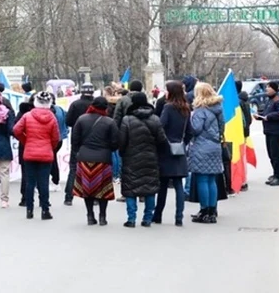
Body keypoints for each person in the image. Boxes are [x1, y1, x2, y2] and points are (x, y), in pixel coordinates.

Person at [119, 92, 167, 228]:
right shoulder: (155, 119)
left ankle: (131, 218)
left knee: (130, 189)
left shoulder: (127, 120)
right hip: (151, 158)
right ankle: (147, 218)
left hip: (131, 158)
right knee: (149, 188)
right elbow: (162, 140)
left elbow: (122, 141)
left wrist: (123, 153)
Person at [71, 97, 119, 226]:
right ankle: (102, 216)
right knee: (103, 189)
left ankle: (90, 215)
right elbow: (115, 143)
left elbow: (74, 141)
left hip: (84, 158)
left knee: (88, 189)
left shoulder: (81, 119)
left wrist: (79, 152)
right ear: (105, 108)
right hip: (103, 159)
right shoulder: (110, 122)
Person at [13, 91, 60, 221]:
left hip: (29, 152)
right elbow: (56, 137)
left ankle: (29, 209)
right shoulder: (52, 118)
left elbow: (16, 130)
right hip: (46, 153)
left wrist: (25, 140)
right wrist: (50, 146)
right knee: (43, 182)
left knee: (30, 182)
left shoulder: (27, 116)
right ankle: (45, 210)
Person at [153, 81, 191, 226]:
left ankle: (158, 215)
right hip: (179, 150)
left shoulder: (168, 108)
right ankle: (179, 217)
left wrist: (162, 144)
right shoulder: (186, 109)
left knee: (162, 185)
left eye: (167, 90)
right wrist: (182, 144)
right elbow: (190, 131)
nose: (165, 93)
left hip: (166, 149)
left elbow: (160, 127)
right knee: (178, 185)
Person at [189, 82, 225, 224]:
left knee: (202, 179)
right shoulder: (218, 108)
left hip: (201, 146)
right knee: (211, 180)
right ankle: (212, 211)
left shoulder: (200, 110)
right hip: (215, 145)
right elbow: (222, 127)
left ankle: (204, 210)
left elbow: (196, 129)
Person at [64, 82, 94, 206]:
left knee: (74, 168)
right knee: (94, 168)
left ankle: (69, 196)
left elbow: (68, 121)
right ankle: (94, 196)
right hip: (94, 140)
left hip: (77, 139)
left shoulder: (75, 104)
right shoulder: (96, 104)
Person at [254, 81, 279, 187]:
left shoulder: (278, 100)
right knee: (271, 154)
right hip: (269, 131)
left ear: (274, 89)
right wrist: (260, 116)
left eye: (268, 88)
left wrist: (269, 117)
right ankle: (275, 174)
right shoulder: (270, 100)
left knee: (276, 155)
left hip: (276, 131)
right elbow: (266, 113)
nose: (266, 90)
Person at [235, 80, 253, 191]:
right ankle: (243, 179)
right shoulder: (245, 101)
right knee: (242, 156)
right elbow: (248, 119)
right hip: (244, 132)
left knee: (238, 157)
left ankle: (241, 180)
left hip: (238, 132)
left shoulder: (237, 102)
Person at [50, 94, 68, 191]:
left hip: (51, 139)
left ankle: (55, 180)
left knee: (51, 160)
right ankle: (55, 180)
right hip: (60, 138)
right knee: (53, 158)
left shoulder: (48, 111)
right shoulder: (60, 109)